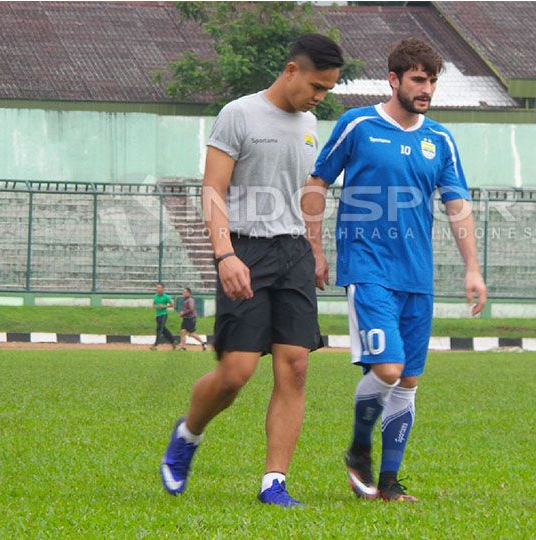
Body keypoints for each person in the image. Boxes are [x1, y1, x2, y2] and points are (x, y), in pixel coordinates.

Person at [159, 34, 343, 508]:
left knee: (296, 366)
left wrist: (316, 249)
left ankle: (273, 482)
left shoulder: (309, 125)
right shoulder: (238, 114)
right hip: (245, 250)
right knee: (236, 372)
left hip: (294, 253)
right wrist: (225, 255)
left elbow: (307, 192)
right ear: (291, 71)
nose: (320, 97)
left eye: (327, 89)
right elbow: (213, 190)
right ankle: (188, 433)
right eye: (317, 86)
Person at [303, 37, 487, 503]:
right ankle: (359, 449)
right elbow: (318, 181)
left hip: (416, 278)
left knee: (408, 381)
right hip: (368, 268)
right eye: (419, 79)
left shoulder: (439, 139)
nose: (427, 89)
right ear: (395, 80)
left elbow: (457, 206)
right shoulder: (359, 124)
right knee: (387, 369)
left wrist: (473, 270)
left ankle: (388, 483)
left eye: (432, 81)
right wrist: (316, 249)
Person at [177, 287, 208, 352]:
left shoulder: (190, 300)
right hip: (186, 319)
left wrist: (183, 313)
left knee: (191, 334)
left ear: (188, 293)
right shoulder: (186, 300)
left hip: (190, 319)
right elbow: (187, 309)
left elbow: (191, 309)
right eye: (183, 292)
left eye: (184, 292)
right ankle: (182, 347)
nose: (183, 293)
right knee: (182, 332)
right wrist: (182, 313)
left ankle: (203, 343)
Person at [151, 283, 177, 351]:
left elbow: (173, 305)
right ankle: (173, 341)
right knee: (164, 330)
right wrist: (156, 306)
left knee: (159, 329)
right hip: (158, 315)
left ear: (162, 288)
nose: (157, 289)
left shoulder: (166, 296)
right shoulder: (155, 296)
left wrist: (165, 306)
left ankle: (155, 345)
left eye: (159, 287)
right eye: (157, 287)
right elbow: (153, 305)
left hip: (164, 315)